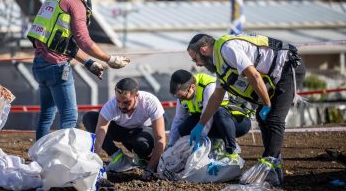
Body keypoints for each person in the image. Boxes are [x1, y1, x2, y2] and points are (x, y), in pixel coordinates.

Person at [27, 0, 130, 140]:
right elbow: (84, 40)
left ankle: (38, 155)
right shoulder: (75, 2)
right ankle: (62, 158)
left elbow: (59, 42)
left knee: (46, 115)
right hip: (57, 68)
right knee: (69, 116)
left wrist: (88, 62)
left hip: (40, 64)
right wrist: (109, 59)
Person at [186, 33, 305, 185]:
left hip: (288, 67)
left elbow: (253, 76)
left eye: (195, 59)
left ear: (203, 50)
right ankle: (273, 167)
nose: (197, 64)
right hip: (276, 75)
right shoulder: (220, 64)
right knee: (263, 118)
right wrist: (201, 124)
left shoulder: (227, 48)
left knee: (274, 118)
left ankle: (268, 166)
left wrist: (267, 104)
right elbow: (216, 97)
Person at [82, 78, 166, 181]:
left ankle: (144, 160)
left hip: (143, 134)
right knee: (89, 117)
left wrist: (150, 168)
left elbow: (160, 138)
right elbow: (100, 132)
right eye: (118, 101)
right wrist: (92, 162)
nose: (121, 106)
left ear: (137, 96)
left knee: (142, 144)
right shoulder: (111, 105)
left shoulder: (150, 102)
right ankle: (119, 158)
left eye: (126, 102)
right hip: (122, 133)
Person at [168, 69, 251, 161]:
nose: (181, 99)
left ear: (192, 87)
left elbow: (209, 114)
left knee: (218, 112)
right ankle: (215, 144)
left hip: (237, 122)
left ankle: (231, 152)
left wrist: (201, 139)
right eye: (177, 97)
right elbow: (178, 119)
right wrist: (171, 145)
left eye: (183, 96)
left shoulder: (209, 86)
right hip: (214, 123)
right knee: (184, 126)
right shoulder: (182, 95)